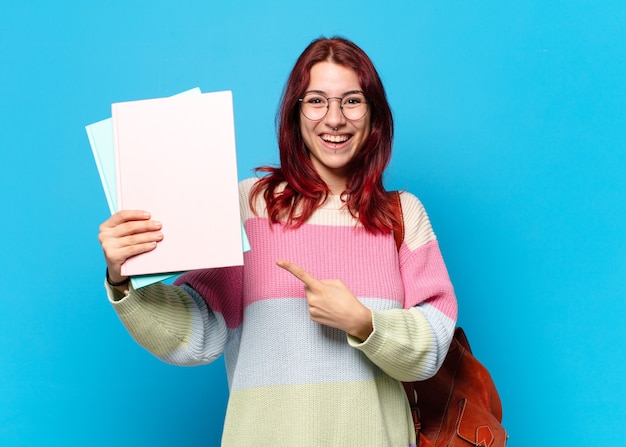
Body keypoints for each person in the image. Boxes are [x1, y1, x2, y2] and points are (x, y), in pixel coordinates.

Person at [98, 36, 457, 447]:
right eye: (317, 100)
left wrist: (362, 321)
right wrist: (122, 280)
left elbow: (432, 347)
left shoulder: (402, 215)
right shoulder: (249, 207)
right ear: (295, 113)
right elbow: (198, 334)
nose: (335, 119)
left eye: (352, 101)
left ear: (374, 114)